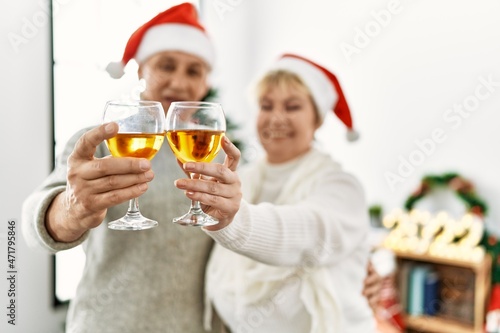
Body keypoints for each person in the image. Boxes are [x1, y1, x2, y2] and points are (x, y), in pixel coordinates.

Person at [21, 3, 239, 332]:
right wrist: (70, 209)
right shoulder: (99, 141)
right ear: (140, 71)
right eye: (166, 66)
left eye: (193, 71)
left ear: (206, 82)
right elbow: (31, 223)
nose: (179, 82)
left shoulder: (221, 155)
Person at [194, 54, 376, 332]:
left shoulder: (342, 186)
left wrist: (235, 219)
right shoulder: (244, 179)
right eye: (266, 106)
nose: (276, 118)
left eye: (292, 107)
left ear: (317, 119)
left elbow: (308, 233)